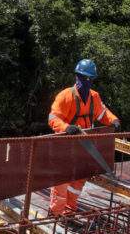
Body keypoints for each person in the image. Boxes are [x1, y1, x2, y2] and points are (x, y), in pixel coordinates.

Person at [47, 59, 120, 216]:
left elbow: (103, 113)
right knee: (61, 181)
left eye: (91, 79)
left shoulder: (94, 97)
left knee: (78, 180)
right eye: (84, 77)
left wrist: (113, 120)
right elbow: (53, 118)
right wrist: (67, 128)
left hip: (84, 146)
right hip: (65, 145)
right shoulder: (66, 96)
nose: (87, 81)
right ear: (77, 76)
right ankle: (55, 213)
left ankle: (69, 209)